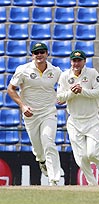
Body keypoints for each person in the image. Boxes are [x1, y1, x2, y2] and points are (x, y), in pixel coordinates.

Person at [7, 42, 62, 186]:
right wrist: (22, 106)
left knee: (48, 141)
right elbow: (11, 89)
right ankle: (42, 161)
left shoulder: (55, 71)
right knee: (38, 149)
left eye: (42, 52)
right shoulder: (23, 70)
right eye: (36, 52)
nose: (39, 55)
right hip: (30, 115)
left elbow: (64, 86)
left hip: (49, 112)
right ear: (32, 55)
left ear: (47, 54)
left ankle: (54, 179)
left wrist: (63, 96)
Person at [57, 50, 99, 185]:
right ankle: (92, 185)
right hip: (74, 120)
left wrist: (82, 91)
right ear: (70, 61)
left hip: (91, 119)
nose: (76, 63)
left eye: (79, 61)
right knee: (81, 157)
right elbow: (60, 98)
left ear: (84, 61)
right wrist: (72, 92)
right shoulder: (64, 76)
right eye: (74, 61)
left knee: (92, 153)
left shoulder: (92, 73)